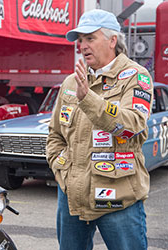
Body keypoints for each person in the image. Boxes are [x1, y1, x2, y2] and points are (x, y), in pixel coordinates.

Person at [46, 9, 153, 250]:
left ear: (112, 40)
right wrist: (60, 170)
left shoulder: (137, 76)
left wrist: (89, 100)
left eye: (90, 38)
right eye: (80, 40)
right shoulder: (71, 82)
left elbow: (132, 127)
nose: (82, 46)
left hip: (119, 197)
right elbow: (55, 134)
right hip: (72, 195)